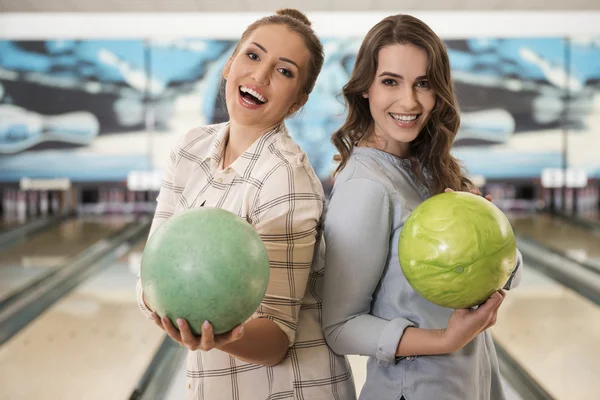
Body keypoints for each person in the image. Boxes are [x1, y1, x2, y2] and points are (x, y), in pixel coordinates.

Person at [136, 9, 356, 400]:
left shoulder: (287, 178)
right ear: (229, 63)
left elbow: (274, 341)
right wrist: (159, 300)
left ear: (299, 102)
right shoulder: (191, 148)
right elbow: (154, 261)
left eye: (284, 71)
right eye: (252, 56)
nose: (260, 75)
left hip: (294, 388)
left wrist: (212, 334)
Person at [321, 14, 523, 400]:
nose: (409, 101)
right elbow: (341, 327)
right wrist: (445, 339)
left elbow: (504, 274)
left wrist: (492, 240)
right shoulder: (367, 186)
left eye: (423, 84)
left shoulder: (430, 169)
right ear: (366, 88)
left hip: (469, 378)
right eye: (390, 82)